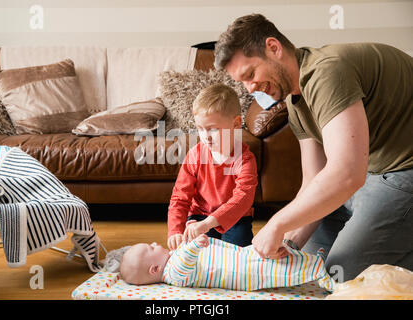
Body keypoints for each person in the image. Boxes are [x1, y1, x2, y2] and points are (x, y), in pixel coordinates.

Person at [214, 13, 413, 281]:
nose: (250, 88)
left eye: (251, 74)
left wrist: (277, 223)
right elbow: (314, 179)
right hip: (373, 176)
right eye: (243, 82)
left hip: (403, 171)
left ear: (274, 48)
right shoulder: (296, 104)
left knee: (340, 276)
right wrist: (291, 241)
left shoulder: (327, 73)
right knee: (305, 264)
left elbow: (347, 173)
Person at [167, 83, 258, 250]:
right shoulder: (195, 155)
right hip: (200, 216)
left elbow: (242, 199)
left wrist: (210, 222)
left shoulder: (245, 159)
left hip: (236, 218)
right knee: (196, 251)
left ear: (236, 124)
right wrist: (175, 230)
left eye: (213, 129)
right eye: (200, 129)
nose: (205, 136)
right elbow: (180, 197)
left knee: (237, 252)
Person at [119, 234, 335, 292]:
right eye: (150, 247)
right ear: (154, 269)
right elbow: (185, 262)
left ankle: (313, 261)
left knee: (276, 256)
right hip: (243, 272)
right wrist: (193, 246)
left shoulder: (172, 257)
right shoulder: (173, 274)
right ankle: (319, 272)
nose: (155, 243)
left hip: (240, 256)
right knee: (276, 269)